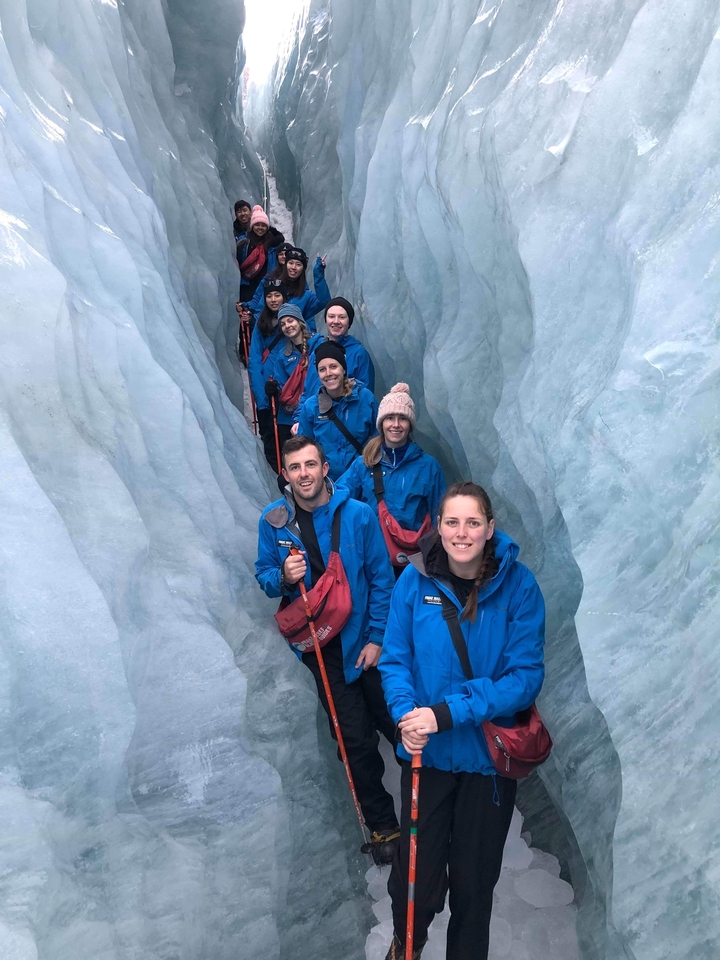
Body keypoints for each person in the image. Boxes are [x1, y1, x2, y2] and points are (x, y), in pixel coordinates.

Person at [379, 482, 546, 960]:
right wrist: (405, 715)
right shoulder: (413, 581)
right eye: (452, 521)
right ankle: (406, 947)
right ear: (438, 526)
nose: (462, 532)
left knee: (473, 888)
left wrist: (446, 713)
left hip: (485, 765)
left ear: (490, 529)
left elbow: (524, 678)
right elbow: (395, 660)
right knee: (413, 879)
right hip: (426, 755)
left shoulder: (519, 586)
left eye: (473, 522)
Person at [255, 435, 400, 863]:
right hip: (323, 649)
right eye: (295, 467)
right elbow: (264, 576)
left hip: (365, 643)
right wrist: (282, 574)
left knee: (397, 725)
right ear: (285, 473)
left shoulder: (356, 515)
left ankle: (425, 809)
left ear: (324, 468)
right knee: (353, 740)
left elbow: (380, 579)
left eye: (310, 465)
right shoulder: (274, 522)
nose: (304, 474)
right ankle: (383, 827)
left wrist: (377, 639)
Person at [337, 383, 446, 577]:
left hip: (413, 561)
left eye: (402, 418)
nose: (395, 424)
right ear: (381, 423)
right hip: (371, 557)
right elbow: (339, 496)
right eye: (389, 418)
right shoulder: (364, 464)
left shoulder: (429, 467)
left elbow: (440, 515)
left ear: (410, 424)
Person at [296, 341, 378, 481]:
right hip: (327, 483)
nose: (328, 373)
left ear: (344, 369)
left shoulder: (365, 399)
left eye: (333, 367)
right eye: (322, 369)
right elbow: (304, 449)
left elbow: (378, 439)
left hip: (362, 479)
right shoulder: (311, 407)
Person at [295, 298, 375, 420]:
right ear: (326, 320)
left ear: (349, 322)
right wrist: (298, 418)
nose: (336, 321)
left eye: (342, 317)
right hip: (314, 421)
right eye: (331, 316)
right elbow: (307, 391)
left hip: (344, 421)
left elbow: (365, 396)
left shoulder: (359, 353)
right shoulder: (317, 351)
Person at [248, 288, 293, 472]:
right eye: (269, 296)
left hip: (287, 396)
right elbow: (254, 360)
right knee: (270, 440)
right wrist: (262, 399)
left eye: (277, 295)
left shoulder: (291, 324)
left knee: (288, 441)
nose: (273, 299)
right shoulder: (261, 325)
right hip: (267, 396)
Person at [268, 311, 324, 440]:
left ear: (300, 321)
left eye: (290, 320)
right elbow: (281, 385)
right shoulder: (283, 355)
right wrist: (273, 388)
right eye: (283, 324)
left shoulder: (319, 345)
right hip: (289, 417)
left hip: (316, 410)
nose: (287, 326)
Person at [237, 205, 285, 302]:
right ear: (252, 226)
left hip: (267, 284)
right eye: (257, 224)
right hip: (247, 285)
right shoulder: (244, 241)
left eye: (263, 225)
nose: (260, 228)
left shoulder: (273, 244)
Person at [277, 246, 331, 331]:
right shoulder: (274, 288)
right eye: (291, 263)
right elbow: (262, 313)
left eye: (298, 264)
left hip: (299, 341)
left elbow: (323, 301)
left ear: (303, 269)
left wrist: (318, 272)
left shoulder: (306, 296)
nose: (293, 267)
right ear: (286, 264)